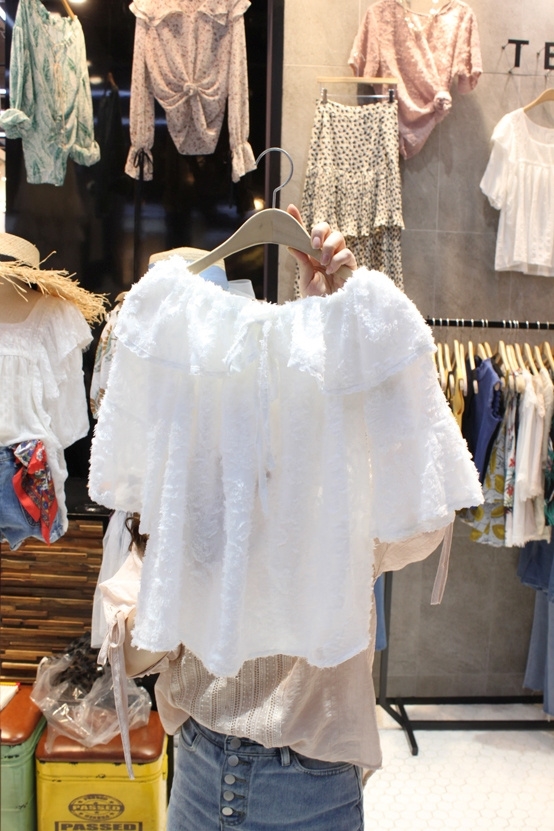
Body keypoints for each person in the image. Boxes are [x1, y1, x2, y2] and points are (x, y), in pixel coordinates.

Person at [97, 205, 471, 830]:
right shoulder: (185, 494)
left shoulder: (333, 488)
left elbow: (425, 514)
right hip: (197, 770)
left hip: (310, 782)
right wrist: (189, 567)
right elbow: (127, 653)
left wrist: (357, 339)